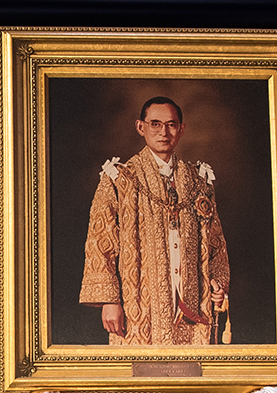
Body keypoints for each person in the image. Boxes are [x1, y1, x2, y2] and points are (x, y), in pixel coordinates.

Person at [78, 97, 231, 345]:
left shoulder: (199, 181)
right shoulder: (118, 179)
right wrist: (109, 301)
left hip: (191, 302)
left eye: (171, 125)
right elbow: (100, 242)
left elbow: (215, 243)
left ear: (181, 129)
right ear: (141, 127)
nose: (164, 132)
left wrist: (218, 284)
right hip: (139, 301)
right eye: (155, 124)